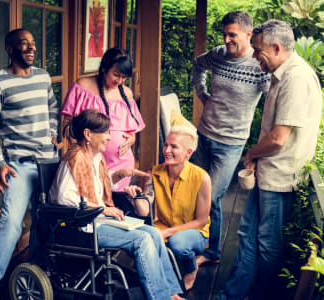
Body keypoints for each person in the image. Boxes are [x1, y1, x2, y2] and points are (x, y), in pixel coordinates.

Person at [217, 20, 322, 300]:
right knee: (248, 238)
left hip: (278, 179)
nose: (254, 56)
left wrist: (250, 153)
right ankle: (232, 295)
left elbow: (278, 138)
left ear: (277, 48)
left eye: (258, 50)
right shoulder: (281, 73)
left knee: (267, 245)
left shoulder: (296, 78)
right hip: (267, 176)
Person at [49, 109, 184, 300]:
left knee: (152, 232)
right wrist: (103, 209)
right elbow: (64, 198)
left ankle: (171, 292)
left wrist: (118, 175)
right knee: (142, 240)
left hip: (98, 220)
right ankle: (160, 297)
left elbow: (93, 188)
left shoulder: (94, 157)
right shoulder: (75, 158)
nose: (108, 137)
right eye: (104, 132)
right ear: (88, 134)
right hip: (81, 227)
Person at [0, 28, 59, 299]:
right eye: (24, 44)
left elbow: (52, 106)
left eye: (33, 44)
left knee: (47, 222)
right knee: (10, 222)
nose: (31, 48)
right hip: (19, 165)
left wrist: (54, 132)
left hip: (49, 162)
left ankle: (35, 271)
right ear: (10, 50)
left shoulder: (43, 76)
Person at [192, 11, 271, 267]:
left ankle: (212, 252)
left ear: (249, 34)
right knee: (194, 191)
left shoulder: (259, 65)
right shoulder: (218, 54)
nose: (226, 40)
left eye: (232, 35)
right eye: (224, 34)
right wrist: (203, 95)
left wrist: (261, 148)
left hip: (231, 144)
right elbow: (197, 65)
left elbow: (272, 105)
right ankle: (194, 241)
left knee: (212, 196)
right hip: (203, 135)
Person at [137, 114, 212, 291]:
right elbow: (144, 209)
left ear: (188, 153)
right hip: (163, 226)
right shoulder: (154, 172)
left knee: (178, 244)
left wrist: (168, 232)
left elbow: (201, 221)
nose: (167, 150)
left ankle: (191, 268)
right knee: (142, 239)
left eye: (174, 147)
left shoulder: (202, 178)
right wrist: (137, 197)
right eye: (166, 145)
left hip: (194, 231)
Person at [61, 47, 145, 191]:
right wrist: (81, 151)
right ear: (104, 68)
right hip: (92, 161)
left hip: (122, 164)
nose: (119, 81)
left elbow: (132, 129)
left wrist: (132, 139)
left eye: (124, 77)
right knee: (93, 202)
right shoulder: (82, 86)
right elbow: (67, 124)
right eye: (116, 75)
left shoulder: (127, 93)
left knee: (117, 208)